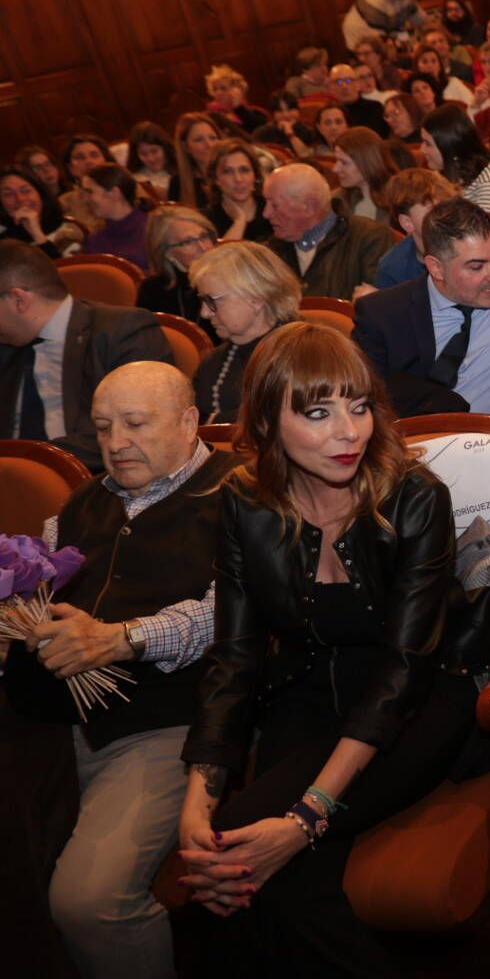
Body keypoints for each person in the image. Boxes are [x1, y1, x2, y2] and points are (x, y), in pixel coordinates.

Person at [177, 322, 490, 973]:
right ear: (270, 423)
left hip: (414, 704)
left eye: (359, 407)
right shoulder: (244, 501)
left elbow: (404, 667)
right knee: (245, 872)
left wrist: (308, 815)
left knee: (255, 872)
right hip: (306, 690)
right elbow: (235, 655)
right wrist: (200, 794)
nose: (349, 432)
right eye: (319, 412)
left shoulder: (416, 497)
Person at [2, 361, 235, 979]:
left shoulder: (241, 494)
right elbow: (42, 602)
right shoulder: (82, 504)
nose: (115, 443)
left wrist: (123, 640)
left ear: (190, 423)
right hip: (56, 722)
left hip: (171, 725)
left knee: (90, 903)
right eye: (103, 427)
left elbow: (239, 610)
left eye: (135, 423)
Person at [354, 198, 490, 416]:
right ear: (436, 268)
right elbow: (368, 405)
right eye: (476, 267)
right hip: (427, 439)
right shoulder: (382, 316)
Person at [0, 241, 173, 468]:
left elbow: (139, 431)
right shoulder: (9, 345)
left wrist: (35, 458)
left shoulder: (123, 331)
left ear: (19, 300)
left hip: (95, 482)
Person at [186, 241, 302, 425]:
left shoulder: (303, 354)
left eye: (211, 300)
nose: (204, 313)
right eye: (202, 300)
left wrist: (212, 421)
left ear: (255, 298)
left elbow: (276, 421)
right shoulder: (213, 362)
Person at [263, 163, 392, 298]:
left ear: (309, 206)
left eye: (275, 205)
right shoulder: (270, 251)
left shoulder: (370, 238)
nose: (266, 213)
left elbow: (378, 307)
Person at [420, 104, 490, 214]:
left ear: (449, 146)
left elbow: (483, 230)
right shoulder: (445, 175)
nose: (422, 150)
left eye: (428, 144)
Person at [372, 168, 459, 289]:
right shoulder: (393, 268)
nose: (446, 217)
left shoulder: (470, 247)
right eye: (433, 211)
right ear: (407, 223)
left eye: (447, 208)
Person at [139, 205, 217, 327]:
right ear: (168, 253)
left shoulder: (230, 281)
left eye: (204, 236)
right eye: (188, 242)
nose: (204, 247)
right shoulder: (152, 291)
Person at [80, 165, 151, 272]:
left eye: (90, 192)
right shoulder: (95, 240)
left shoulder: (153, 229)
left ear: (115, 193)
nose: (85, 200)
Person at [204, 142, 273, 244]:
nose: (238, 179)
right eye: (227, 171)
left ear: (255, 175)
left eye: (244, 170)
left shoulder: (272, 210)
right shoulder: (206, 220)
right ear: (216, 179)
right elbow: (219, 259)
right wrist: (239, 221)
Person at [333, 128, 398, 222]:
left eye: (344, 162)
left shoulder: (399, 199)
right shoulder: (337, 201)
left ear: (366, 162)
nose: (335, 169)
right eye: (336, 161)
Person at [124, 121, 182, 202]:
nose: (151, 158)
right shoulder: (134, 178)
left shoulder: (182, 169)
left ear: (165, 147)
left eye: (154, 151)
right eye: (143, 154)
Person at [174, 113, 223, 209]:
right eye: (199, 140)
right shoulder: (178, 183)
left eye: (213, 138)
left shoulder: (232, 174)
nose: (209, 145)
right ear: (186, 147)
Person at [254, 91, 321, 156]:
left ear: (298, 110)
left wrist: (290, 134)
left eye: (290, 109)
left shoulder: (308, 131)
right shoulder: (262, 133)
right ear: (273, 114)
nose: (286, 115)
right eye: (280, 111)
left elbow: (307, 156)